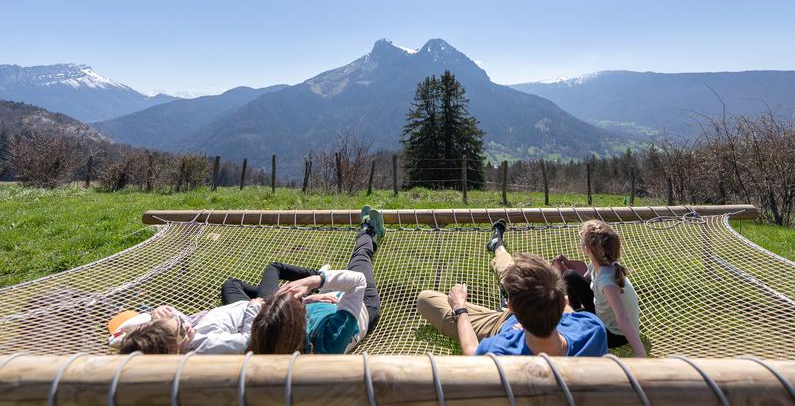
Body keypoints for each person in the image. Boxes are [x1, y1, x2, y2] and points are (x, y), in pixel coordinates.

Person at [114, 206, 385, 355]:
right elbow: (357, 282)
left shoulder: (279, 341)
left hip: (322, 305)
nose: (188, 327)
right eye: (183, 330)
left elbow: (118, 338)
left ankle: (311, 282)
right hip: (357, 307)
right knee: (360, 260)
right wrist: (316, 282)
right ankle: (369, 230)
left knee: (234, 286)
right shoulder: (327, 339)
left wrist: (152, 316)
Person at [416, 220, 607, 356]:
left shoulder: (501, 349)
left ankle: (499, 250)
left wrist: (459, 307)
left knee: (425, 299)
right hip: (526, 313)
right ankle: (498, 246)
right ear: (564, 301)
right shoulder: (592, 329)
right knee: (511, 272)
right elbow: (567, 311)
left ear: (511, 306)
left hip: (499, 326)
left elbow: (471, 351)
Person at [248, 205, 385, 354]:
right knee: (360, 257)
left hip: (326, 296)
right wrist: (313, 281)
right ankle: (369, 231)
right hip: (362, 304)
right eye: (297, 304)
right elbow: (358, 282)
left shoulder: (268, 336)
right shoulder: (330, 340)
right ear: (301, 322)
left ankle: (323, 275)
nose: (300, 301)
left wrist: (308, 300)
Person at [560, 220, 646, 356]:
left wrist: (640, 353)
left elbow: (622, 316)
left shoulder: (607, 281)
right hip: (605, 318)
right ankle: (575, 316)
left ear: (587, 249)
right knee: (570, 276)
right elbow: (583, 282)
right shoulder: (599, 264)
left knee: (570, 277)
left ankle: (574, 322)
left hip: (616, 335)